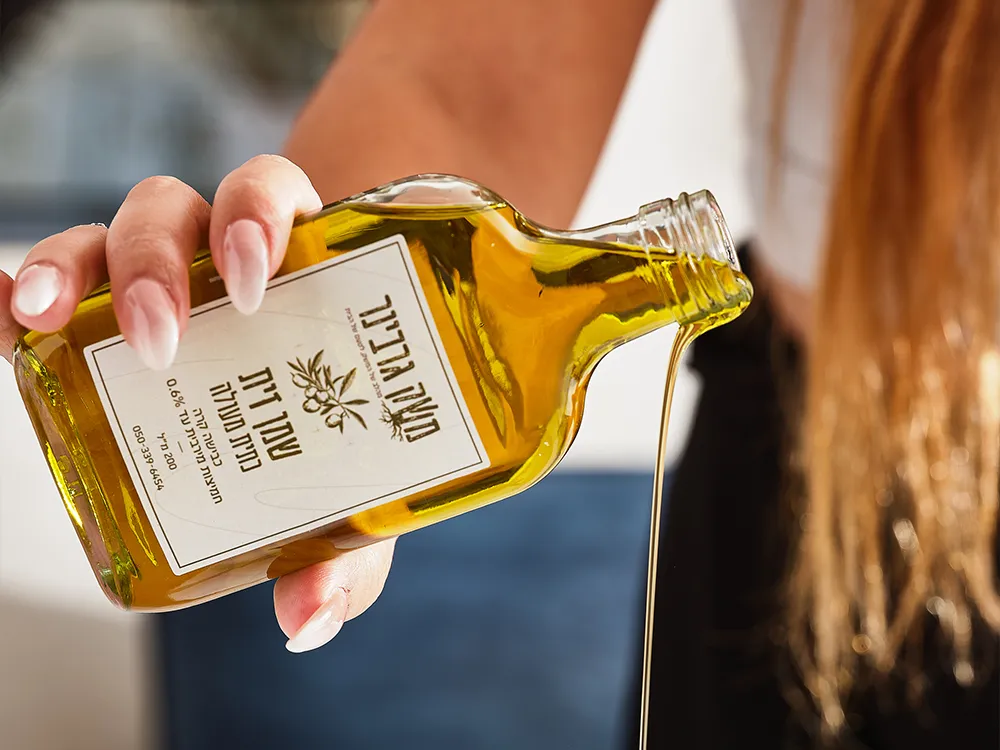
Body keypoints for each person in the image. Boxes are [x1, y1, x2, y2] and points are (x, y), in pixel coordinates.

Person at [2, 1, 998, 747]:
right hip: (810, 484)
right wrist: (279, 271)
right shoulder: (514, 333)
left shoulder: (542, 418)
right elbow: (464, 88)